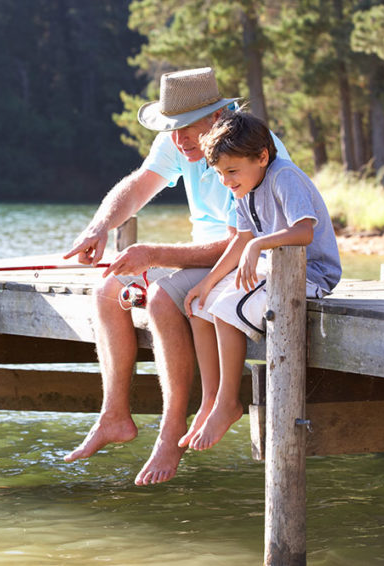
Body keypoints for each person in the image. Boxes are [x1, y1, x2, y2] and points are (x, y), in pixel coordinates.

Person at [62, 67, 289, 485]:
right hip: (202, 259)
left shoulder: (252, 148)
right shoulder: (178, 143)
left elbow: (248, 239)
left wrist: (155, 254)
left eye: (186, 128)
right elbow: (136, 186)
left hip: (248, 263)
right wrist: (99, 227)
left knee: (163, 298)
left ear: (217, 117)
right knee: (107, 293)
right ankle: (114, 416)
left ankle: (170, 435)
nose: (178, 139)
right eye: (172, 128)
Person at [180, 111, 341, 451]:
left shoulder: (284, 177)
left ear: (262, 156)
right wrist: (208, 281)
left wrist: (259, 244)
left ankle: (228, 403)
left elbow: (304, 230)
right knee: (201, 304)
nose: (226, 181)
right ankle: (213, 397)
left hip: (310, 274)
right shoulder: (244, 186)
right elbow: (241, 238)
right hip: (275, 271)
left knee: (225, 309)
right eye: (220, 173)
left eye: (232, 171)